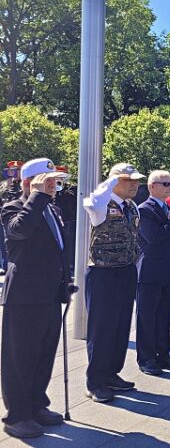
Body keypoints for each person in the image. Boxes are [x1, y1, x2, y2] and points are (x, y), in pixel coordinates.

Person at [0, 158, 72, 439]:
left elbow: (57, 248)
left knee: (43, 354)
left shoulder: (51, 209)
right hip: (25, 296)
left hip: (49, 294)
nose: (55, 186)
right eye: (49, 181)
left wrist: (65, 282)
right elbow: (19, 230)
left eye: (54, 181)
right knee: (20, 358)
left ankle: (36, 404)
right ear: (30, 183)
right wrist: (37, 197)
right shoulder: (14, 207)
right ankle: (17, 414)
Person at [83, 163, 144, 403]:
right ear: (114, 182)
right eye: (129, 180)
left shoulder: (131, 207)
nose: (135, 185)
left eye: (137, 180)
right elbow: (94, 200)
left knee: (120, 326)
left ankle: (111, 373)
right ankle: (95, 381)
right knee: (102, 328)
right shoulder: (100, 206)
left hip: (126, 270)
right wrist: (112, 180)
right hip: (103, 273)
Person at [135, 170, 170, 375]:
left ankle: (162, 354)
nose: (169, 187)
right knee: (147, 317)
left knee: (164, 315)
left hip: (168, 271)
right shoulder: (144, 209)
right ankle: (146, 358)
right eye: (164, 183)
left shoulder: (167, 208)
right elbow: (152, 236)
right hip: (151, 272)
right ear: (152, 187)